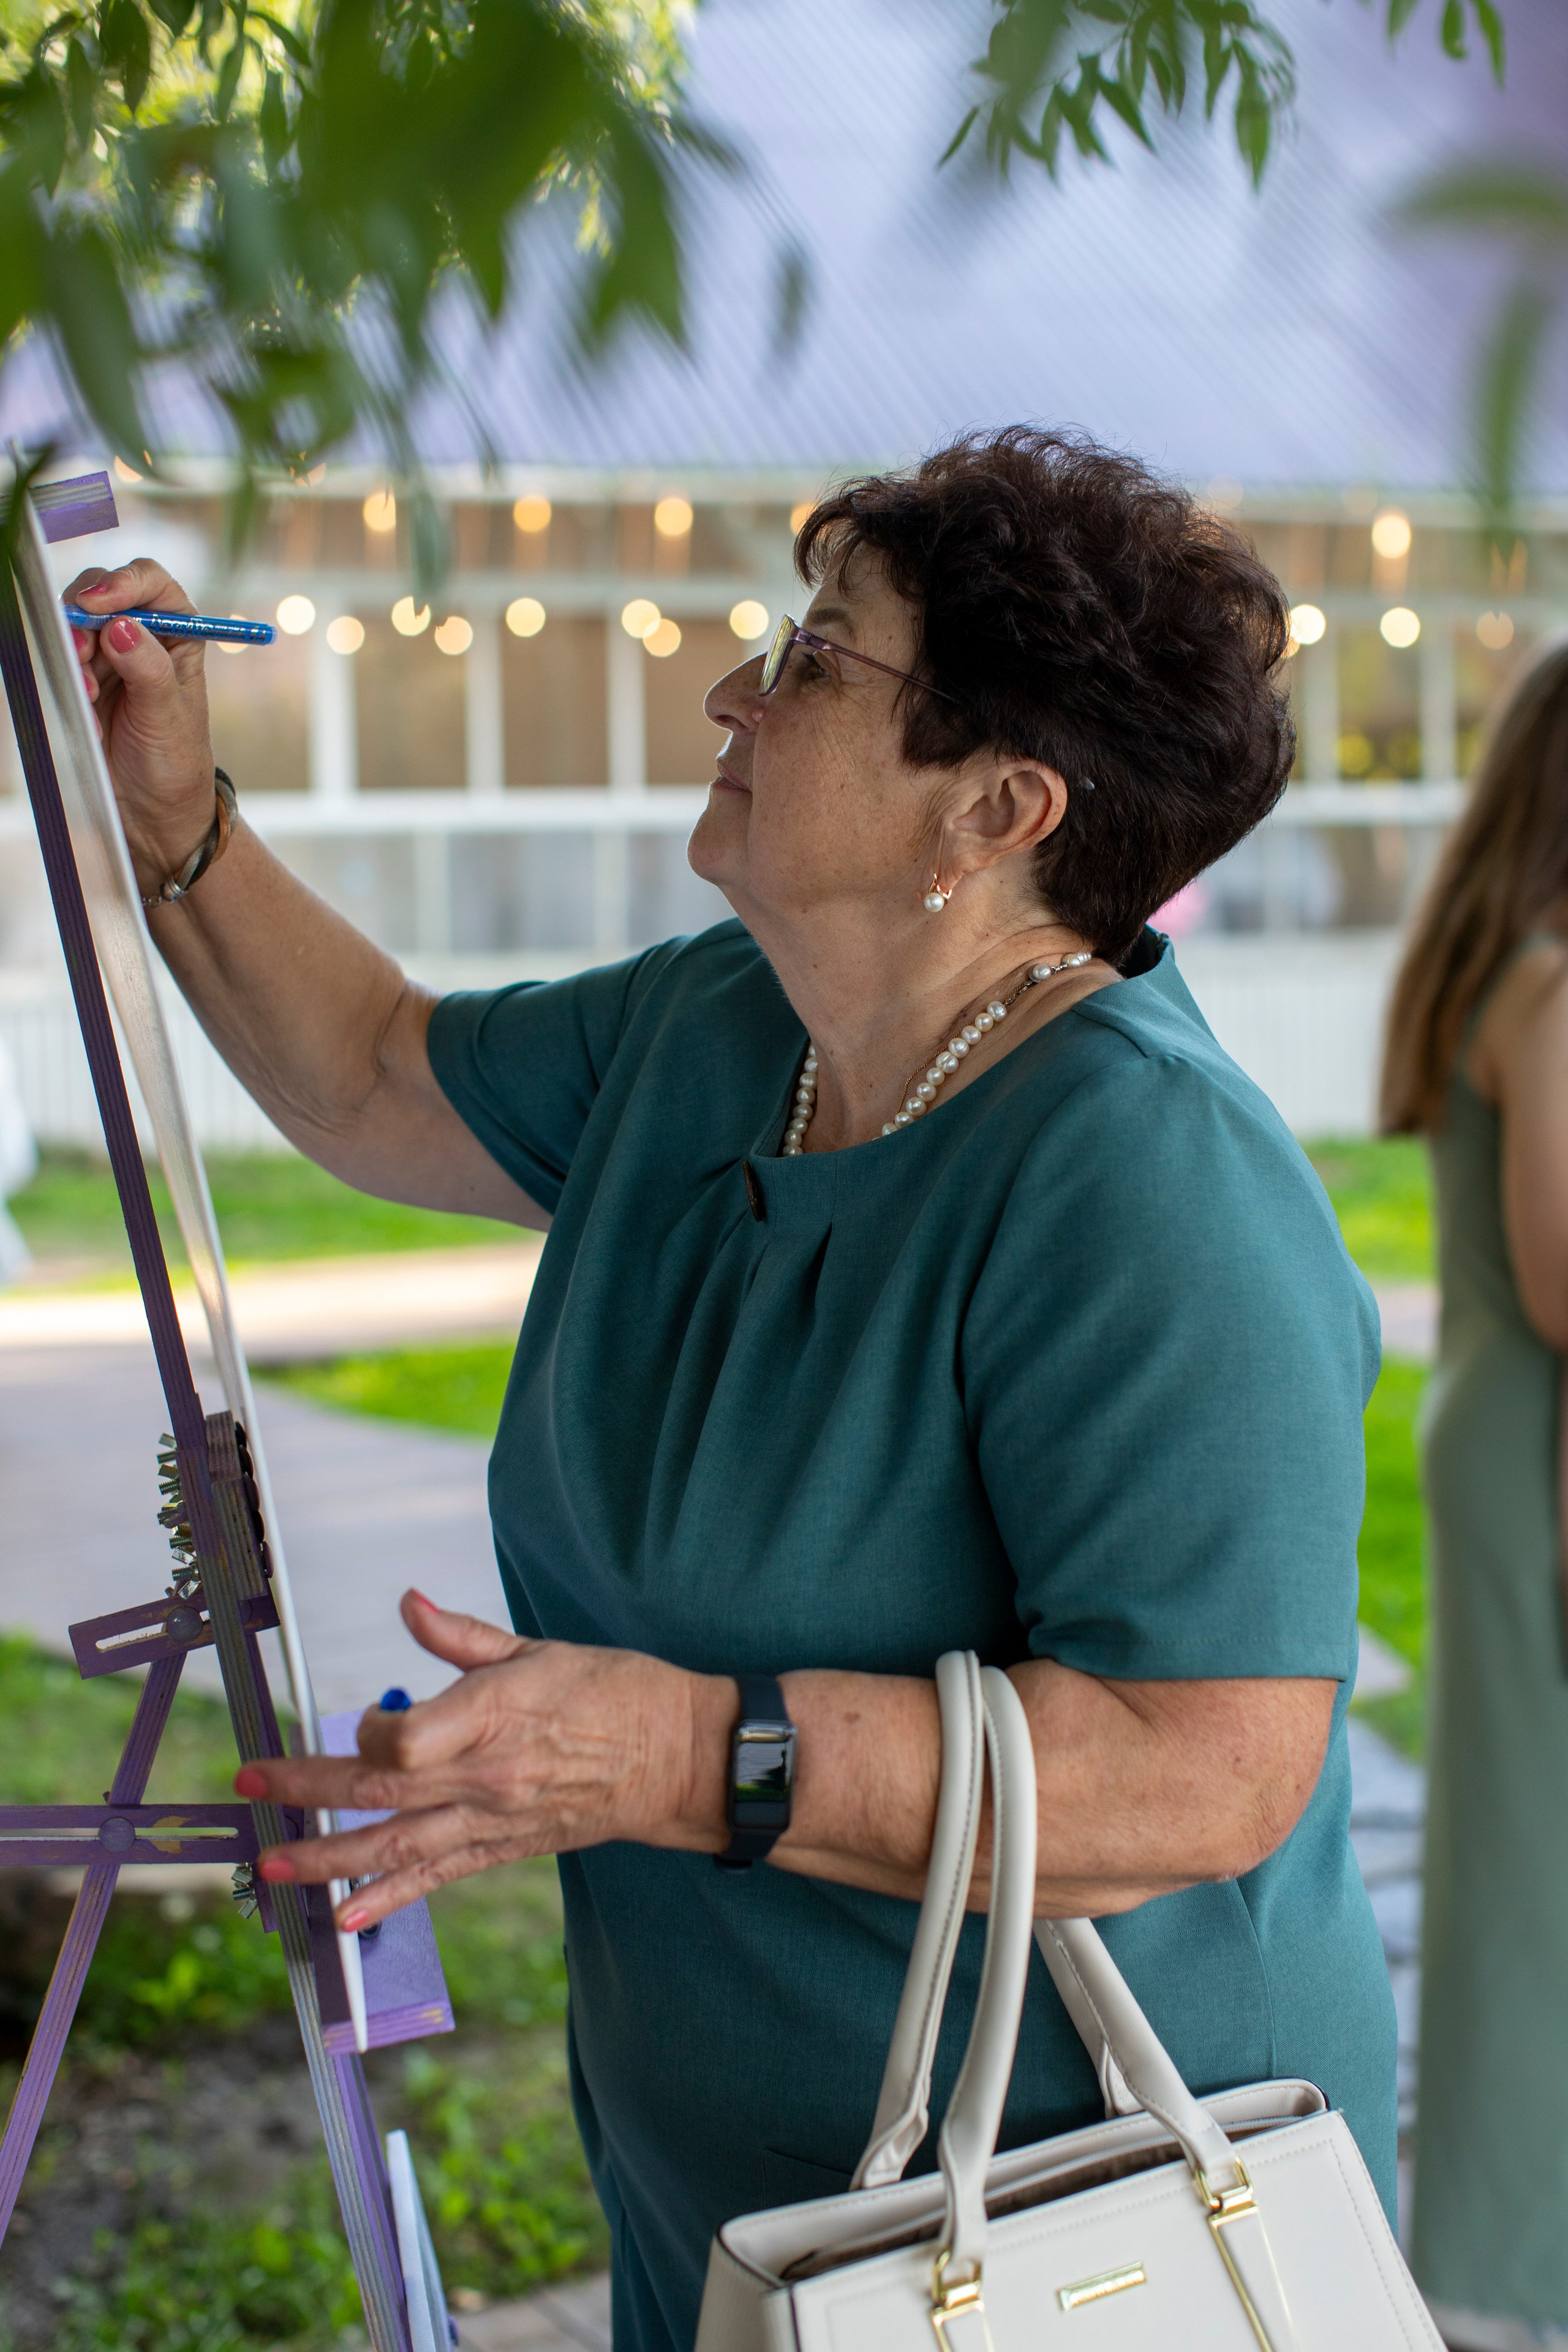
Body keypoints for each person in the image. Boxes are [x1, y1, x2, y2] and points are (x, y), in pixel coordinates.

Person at [69, 428, 1392, 2352]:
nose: (735, 690)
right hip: (755, 2191)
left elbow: (1208, 1764)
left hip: (1070, 2212)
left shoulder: (1153, 1181)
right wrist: (174, 817)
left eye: (815, 662)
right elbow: (367, 1069)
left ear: (995, 812)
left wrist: (672, 1758)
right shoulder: (725, 1024)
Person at [1382, 638, 1568, 2352]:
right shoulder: (1555, 982)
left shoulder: (1497, 965)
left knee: (1522, 1855)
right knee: (1533, 1871)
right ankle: (1519, 2266)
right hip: (1548, 1454)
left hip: (1504, 1433)